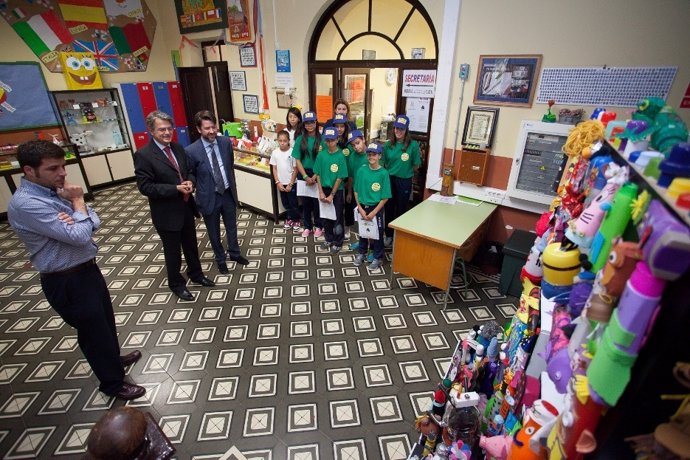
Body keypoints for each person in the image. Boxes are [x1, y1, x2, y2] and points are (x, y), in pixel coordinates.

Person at [7, 140, 145, 400]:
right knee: (93, 333)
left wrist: (77, 214)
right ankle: (113, 384)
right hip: (66, 280)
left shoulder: (53, 192)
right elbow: (82, 235)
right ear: (29, 170)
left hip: (86, 270)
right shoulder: (26, 203)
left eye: (63, 166)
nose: (62, 173)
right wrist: (78, 201)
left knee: (105, 323)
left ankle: (113, 360)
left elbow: (94, 221)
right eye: (53, 168)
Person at [134, 110, 215, 301]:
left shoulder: (178, 148)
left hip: (186, 207)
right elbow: (145, 187)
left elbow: (190, 171)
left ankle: (196, 275)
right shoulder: (144, 155)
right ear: (151, 131)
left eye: (169, 128)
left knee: (191, 245)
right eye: (162, 129)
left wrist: (190, 182)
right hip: (166, 212)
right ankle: (176, 283)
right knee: (173, 251)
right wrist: (175, 188)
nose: (167, 133)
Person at [185, 110, 249, 275]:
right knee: (213, 231)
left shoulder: (225, 142)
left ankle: (234, 253)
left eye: (213, 127)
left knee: (231, 226)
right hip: (208, 196)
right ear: (199, 130)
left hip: (227, 192)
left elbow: (229, 164)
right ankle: (220, 259)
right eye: (207, 128)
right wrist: (191, 183)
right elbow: (190, 172)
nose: (211, 131)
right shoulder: (191, 151)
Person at [383, 114, 421, 246]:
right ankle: (388, 235)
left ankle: (398, 237)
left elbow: (416, 165)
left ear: (406, 130)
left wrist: (405, 171)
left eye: (402, 129)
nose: (398, 131)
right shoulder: (388, 145)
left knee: (401, 209)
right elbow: (384, 163)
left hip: (404, 181)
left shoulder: (413, 145)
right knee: (388, 207)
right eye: (396, 128)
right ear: (393, 129)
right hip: (389, 180)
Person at [354, 142, 391, 270]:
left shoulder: (383, 173)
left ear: (380, 156)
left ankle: (377, 257)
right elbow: (356, 191)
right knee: (363, 232)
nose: (371, 157)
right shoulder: (362, 170)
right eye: (369, 154)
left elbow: (385, 197)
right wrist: (359, 207)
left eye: (374, 154)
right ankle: (362, 253)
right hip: (362, 207)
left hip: (377, 208)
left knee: (378, 234)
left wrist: (374, 212)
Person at [314, 127, 349, 252]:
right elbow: (317, 174)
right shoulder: (321, 155)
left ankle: (338, 241)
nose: (330, 143)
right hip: (324, 189)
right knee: (325, 217)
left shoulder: (340, 156)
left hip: (337, 192)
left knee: (338, 217)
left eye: (332, 140)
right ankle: (328, 238)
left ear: (337, 139)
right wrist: (321, 192)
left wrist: (332, 195)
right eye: (327, 140)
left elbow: (340, 177)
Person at [292, 110, 325, 238]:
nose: (309, 125)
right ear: (304, 124)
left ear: (316, 123)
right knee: (305, 203)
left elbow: (323, 160)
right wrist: (305, 176)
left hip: (318, 173)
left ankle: (319, 225)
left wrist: (315, 176)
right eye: (307, 123)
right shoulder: (300, 139)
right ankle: (307, 226)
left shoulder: (322, 139)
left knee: (317, 203)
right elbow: (297, 159)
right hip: (303, 173)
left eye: (312, 122)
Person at [270, 130, 300, 230]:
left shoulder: (292, 152)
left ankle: (296, 220)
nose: (282, 143)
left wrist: (291, 184)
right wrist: (277, 182)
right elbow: (274, 168)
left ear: (288, 141)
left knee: (293, 203)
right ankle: (290, 218)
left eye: (285, 141)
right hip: (281, 183)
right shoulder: (275, 153)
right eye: (280, 141)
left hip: (291, 183)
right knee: (285, 203)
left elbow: (296, 169)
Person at [345, 129, 369, 247]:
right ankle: (361, 241)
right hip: (356, 192)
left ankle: (371, 245)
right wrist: (349, 192)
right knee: (360, 218)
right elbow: (350, 176)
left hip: (370, 194)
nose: (356, 147)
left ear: (364, 140)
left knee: (369, 220)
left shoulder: (371, 155)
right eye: (353, 145)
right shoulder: (352, 157)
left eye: (358, 143)